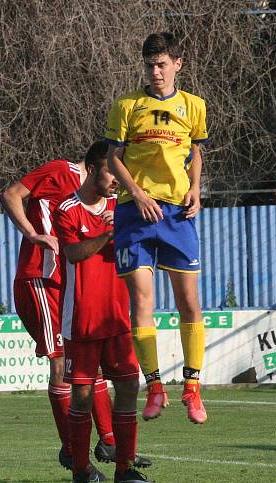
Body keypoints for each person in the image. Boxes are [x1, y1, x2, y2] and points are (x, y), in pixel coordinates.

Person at [1, 143, 152, 476]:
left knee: (91, 371)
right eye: (115, 167)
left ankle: (110, 442)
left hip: (70, 285)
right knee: (60, 366)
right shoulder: (60, 172)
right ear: (98, 166)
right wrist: (33, 234)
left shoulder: (109, 200)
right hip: (40, 276)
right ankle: (72, 453)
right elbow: (11, 194)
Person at [104, 32, 209, 424]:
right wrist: (136, 192)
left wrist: (196, 189)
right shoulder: (126, 106)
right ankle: (155, 389)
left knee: (189, 303)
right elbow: (113, 158)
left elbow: (196, 150)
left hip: (178, 216)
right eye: (150, 65)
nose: (156, 71)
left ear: (177, 65)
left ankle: (193, 390)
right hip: (135, 214)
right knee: (142, 304)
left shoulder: (194, 106)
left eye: (162, 64)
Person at [53, 140, 157, 483]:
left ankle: (124, 469)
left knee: (128, 386)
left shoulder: (123, 206)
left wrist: (124, 226)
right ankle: (80, 471)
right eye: (112, 170)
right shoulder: (67, 208)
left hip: (117, 319)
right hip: (81, 320)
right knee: (82, 397)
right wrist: (109, 233)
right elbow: (73, 253)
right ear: (93, 168)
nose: (117, 178)